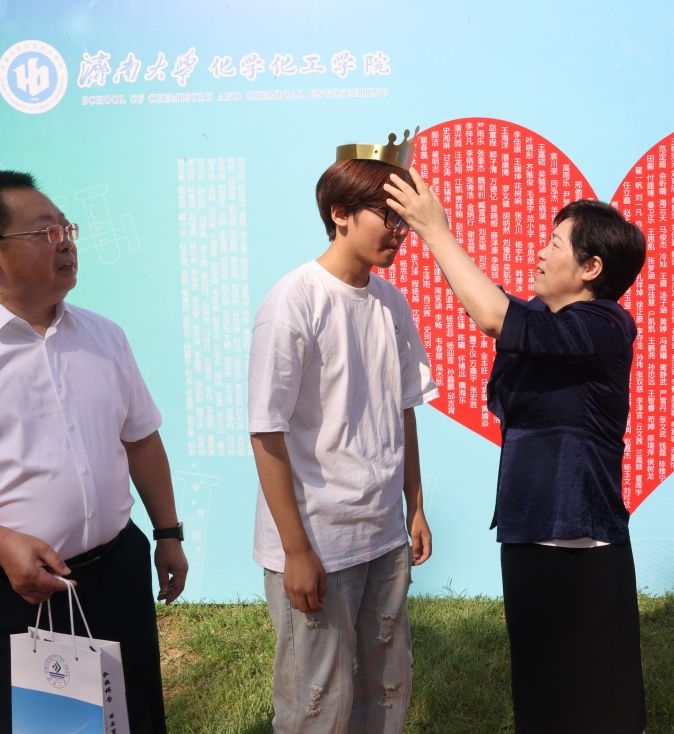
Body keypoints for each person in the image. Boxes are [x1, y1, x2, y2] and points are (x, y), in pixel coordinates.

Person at [385, 169, 648, 733]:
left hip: (582, 536)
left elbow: (491, 314)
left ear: (591, 268)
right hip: (527, 526)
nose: (541, 254)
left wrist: (435, 231)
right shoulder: (546, 325)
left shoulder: (605, 325)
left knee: (597, 697)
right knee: (538, 689)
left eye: (555, 244)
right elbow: (497, 323)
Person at [0, 170, 188, 734]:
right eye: (45, 232)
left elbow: (140, 439)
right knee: (40, 728)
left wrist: (168, 533)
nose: (66, 242)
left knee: (131, 719)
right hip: (9, 590)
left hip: (114, 575)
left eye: (67, 229)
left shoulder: (102, 335)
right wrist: (1, 543)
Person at [248, 135, 437, 733]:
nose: (399, 232)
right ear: (340, 213)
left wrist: (415, 506)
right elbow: (267, 432)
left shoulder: (390, 303)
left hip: (382, 533)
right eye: (387, 216)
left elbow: (404, 410)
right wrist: (296, 550)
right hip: (317, 540)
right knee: (317, 705)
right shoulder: (294, 301)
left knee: (387, 690)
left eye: (403, 219)